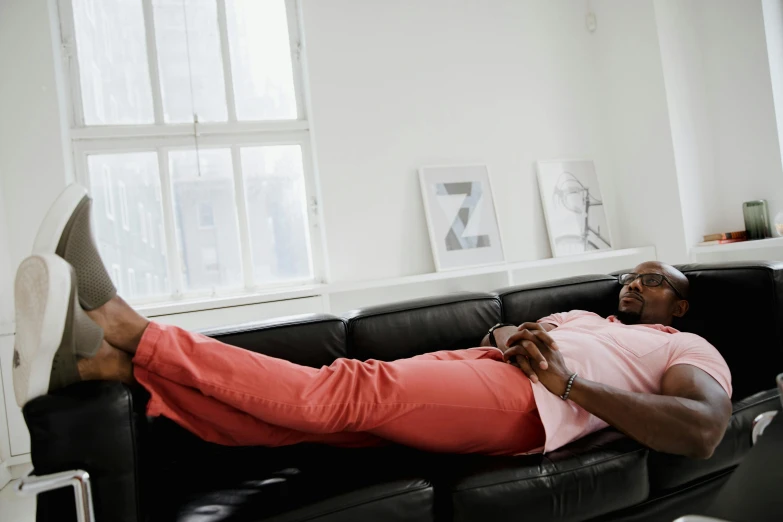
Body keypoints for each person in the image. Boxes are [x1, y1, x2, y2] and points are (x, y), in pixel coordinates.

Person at [12, 185, 732, 457]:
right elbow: (502, 336)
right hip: (491, 370)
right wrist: (510, 335)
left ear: (679, 305)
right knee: (300, 422)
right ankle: (97, 366)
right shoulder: (585, 313)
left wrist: (569, 384)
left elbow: (700, 430)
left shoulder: (688, 348)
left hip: (534, 405)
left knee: (346, 389)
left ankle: (123, 325)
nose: (635, 286)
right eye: (631, 276)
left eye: (652, 281)